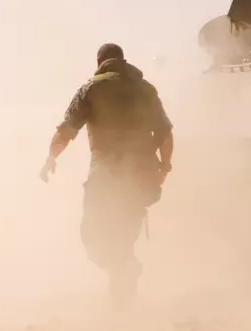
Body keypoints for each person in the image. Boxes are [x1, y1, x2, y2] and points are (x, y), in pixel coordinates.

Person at [39, 43, 174, 304]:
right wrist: (164, 169)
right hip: (143, 177)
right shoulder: (146, 90)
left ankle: (124, 278)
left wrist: (51, 157)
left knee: (94, 237)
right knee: (124, 242)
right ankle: (123, 308)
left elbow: (67, 130)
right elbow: (166, 132)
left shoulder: (92, 88)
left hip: (107, 175)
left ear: (100, 61)